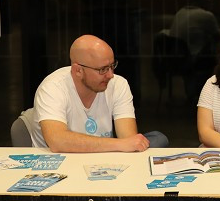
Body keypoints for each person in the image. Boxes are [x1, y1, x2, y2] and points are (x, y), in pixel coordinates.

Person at [26, 34, 168, 152]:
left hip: (101, 165)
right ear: (78, 71)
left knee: (158, 139)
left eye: (112, 66)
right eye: (103, 69)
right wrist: (119, 144)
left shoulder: (118, 84)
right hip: (56, 167)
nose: (111, 75)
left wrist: (125, 144)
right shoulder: (52, 88)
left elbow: (129, 139)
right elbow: (57, 141)